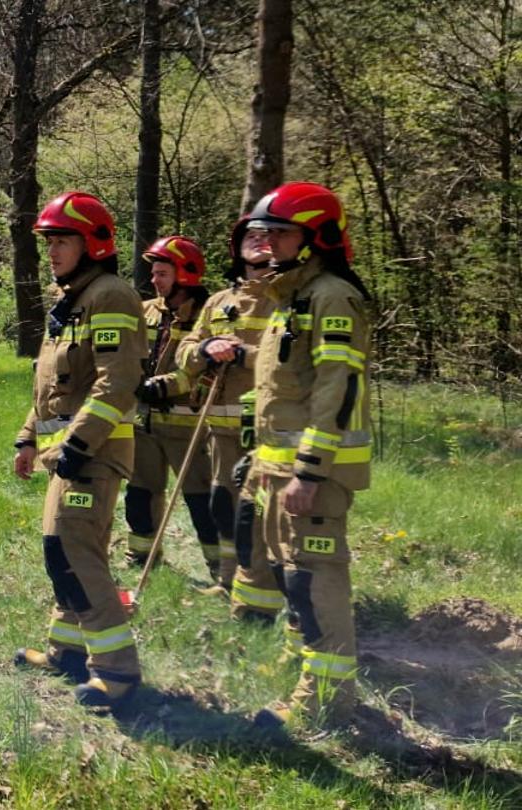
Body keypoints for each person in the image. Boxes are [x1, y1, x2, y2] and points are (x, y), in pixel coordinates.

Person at [199, 182, 374, 729]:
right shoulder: (288, 299)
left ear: (315, 237)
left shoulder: (330, 297)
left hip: (310, 472)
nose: (267, 243)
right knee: (287, 571)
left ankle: (325, 702)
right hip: (274, 466)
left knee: (315, 579)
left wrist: (309, 471)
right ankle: (305, 667)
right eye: (264, 233)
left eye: (280, 233)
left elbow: (335, 390)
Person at [11, 191, 148, 710]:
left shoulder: (110, 296)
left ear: (93, 243)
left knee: (77, 555)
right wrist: (29, 438)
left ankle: (117, 671)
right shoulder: (71, 303)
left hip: (92, 454)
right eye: (49, 242)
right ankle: (66, 651)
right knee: (60, 552)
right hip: (65, 455)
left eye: (63, 240)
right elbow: (51, 389)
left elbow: (117, 383)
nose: (53, 251)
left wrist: (78, 444)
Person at [151, 219, 284, 603]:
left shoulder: (289, 299)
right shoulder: (219, 302)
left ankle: (267, 592)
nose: (258, 241)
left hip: (269, 429)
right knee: (224, 507)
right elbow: (185, 350)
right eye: (250, 236)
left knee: (259, 513)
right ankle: (229, 582)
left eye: (266, 235)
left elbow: (296, 363)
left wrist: (243, 355)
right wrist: (204, 351)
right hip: (221, 431)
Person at [122, 237, 215, 570]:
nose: (154, 280)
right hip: (144, 425)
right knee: (140, 496)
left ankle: (221, 567)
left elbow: (211, 371)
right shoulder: (144, 311)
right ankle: (142, 557)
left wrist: (169, 385)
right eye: (153, 273)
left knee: (203, 501)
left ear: (186, 275)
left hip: (189, 428)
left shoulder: (210, 315)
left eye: (162, 273)